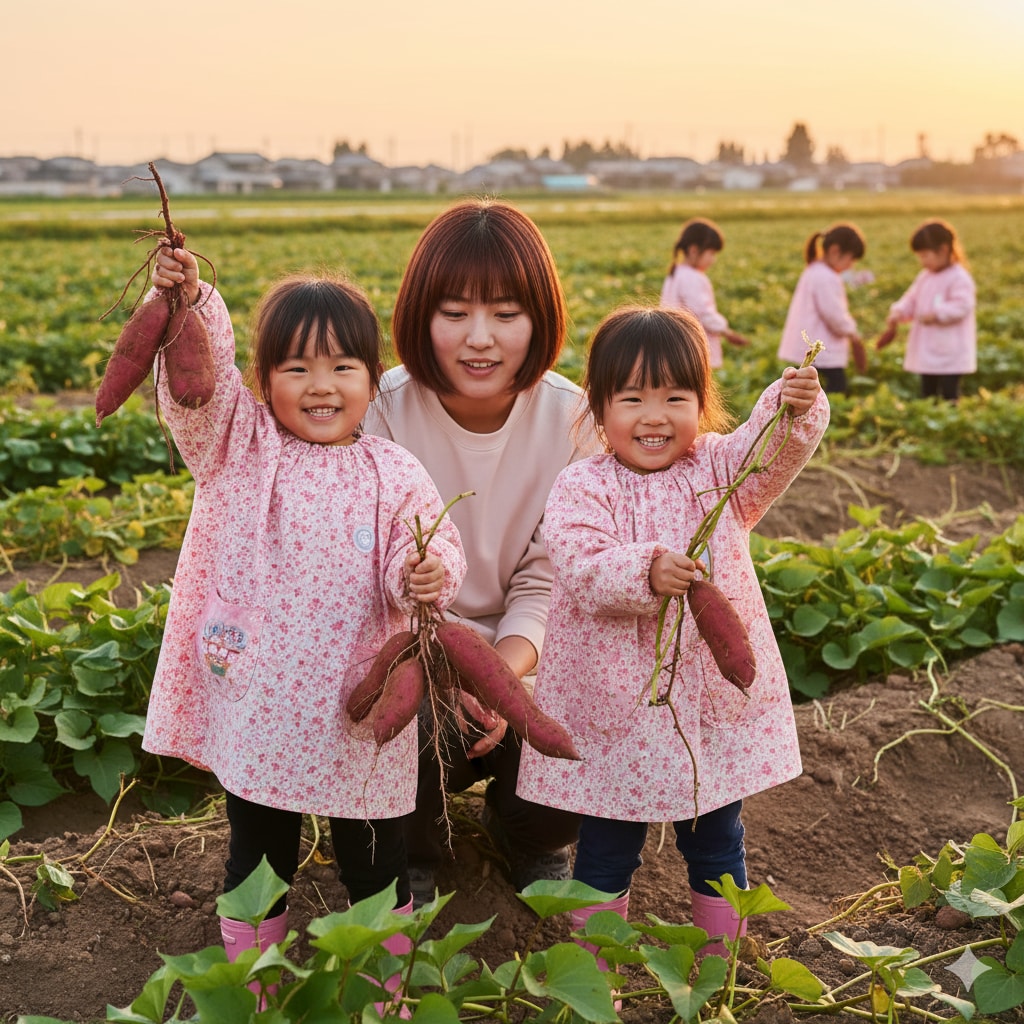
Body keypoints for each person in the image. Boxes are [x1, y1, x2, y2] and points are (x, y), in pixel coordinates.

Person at [142, 247, 466, 983]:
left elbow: (429, 547)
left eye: (342, 368)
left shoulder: (394, 470)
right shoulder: (240, 446)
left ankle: (385, 990)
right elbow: (196, 390)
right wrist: (193, 305)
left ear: (371, 379)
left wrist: (424, 574)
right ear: (263, 380)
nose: (321, 387)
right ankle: (250, 987)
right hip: (264, 710)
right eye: (296, 370)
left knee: (376, 860)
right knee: (258, 859)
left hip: (361, 712)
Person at [517, 305, 828, 957]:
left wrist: (790, 406)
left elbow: (767, 455)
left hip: (701, 705)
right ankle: (594, 970)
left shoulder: (720, 473)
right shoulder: (582, 487)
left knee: (716, 838)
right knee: (606, 846)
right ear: (598, 409)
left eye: (674, 397)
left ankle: (723, 966)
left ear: (701, 403)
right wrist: (646, 569)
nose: (654, 416)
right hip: (617, 704)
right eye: (632, 398)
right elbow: (578, 563)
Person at [362, 198, 601, 906]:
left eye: (505, 312)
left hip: (527, 657)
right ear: (420, 315)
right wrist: (444, 671)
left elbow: (551, 575)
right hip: (410, 653)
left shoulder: (572, 419)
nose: (479, 338)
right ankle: (415, 850)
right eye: (455, 312)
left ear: (540, 318)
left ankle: (531, 832)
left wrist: (501, 675)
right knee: (407, 722)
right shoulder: (379, 413)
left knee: (592, 707)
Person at [876, 219, 976, 403]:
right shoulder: (925, 277)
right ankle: (931, 416)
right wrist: (899, 311)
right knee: (927, 390)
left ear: (944, 250)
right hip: (928, 349)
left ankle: (948, 422)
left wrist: (937, 313)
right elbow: (911, 299)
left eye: (925, 256)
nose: (922, 261)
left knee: (949, 392)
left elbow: (962, 305)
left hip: (951, 351)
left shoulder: (959, 277)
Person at [778, 222, 867, 395]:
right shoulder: (826, 277)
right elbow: (834, 315)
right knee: (832, 393)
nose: (851, 265)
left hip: (807, 349)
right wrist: (853, 333)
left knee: (805, 395)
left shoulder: (813, 270)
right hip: (823, 354)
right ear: (835, 251)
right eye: (851, 259)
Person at [659, 217, 750, 369]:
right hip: (694, 346)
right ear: (694, 250)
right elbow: (704, 314)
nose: (713, 260)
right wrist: (726, 331)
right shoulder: (693, 278)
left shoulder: (675, 273)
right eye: (712, 253)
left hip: (674, 344)